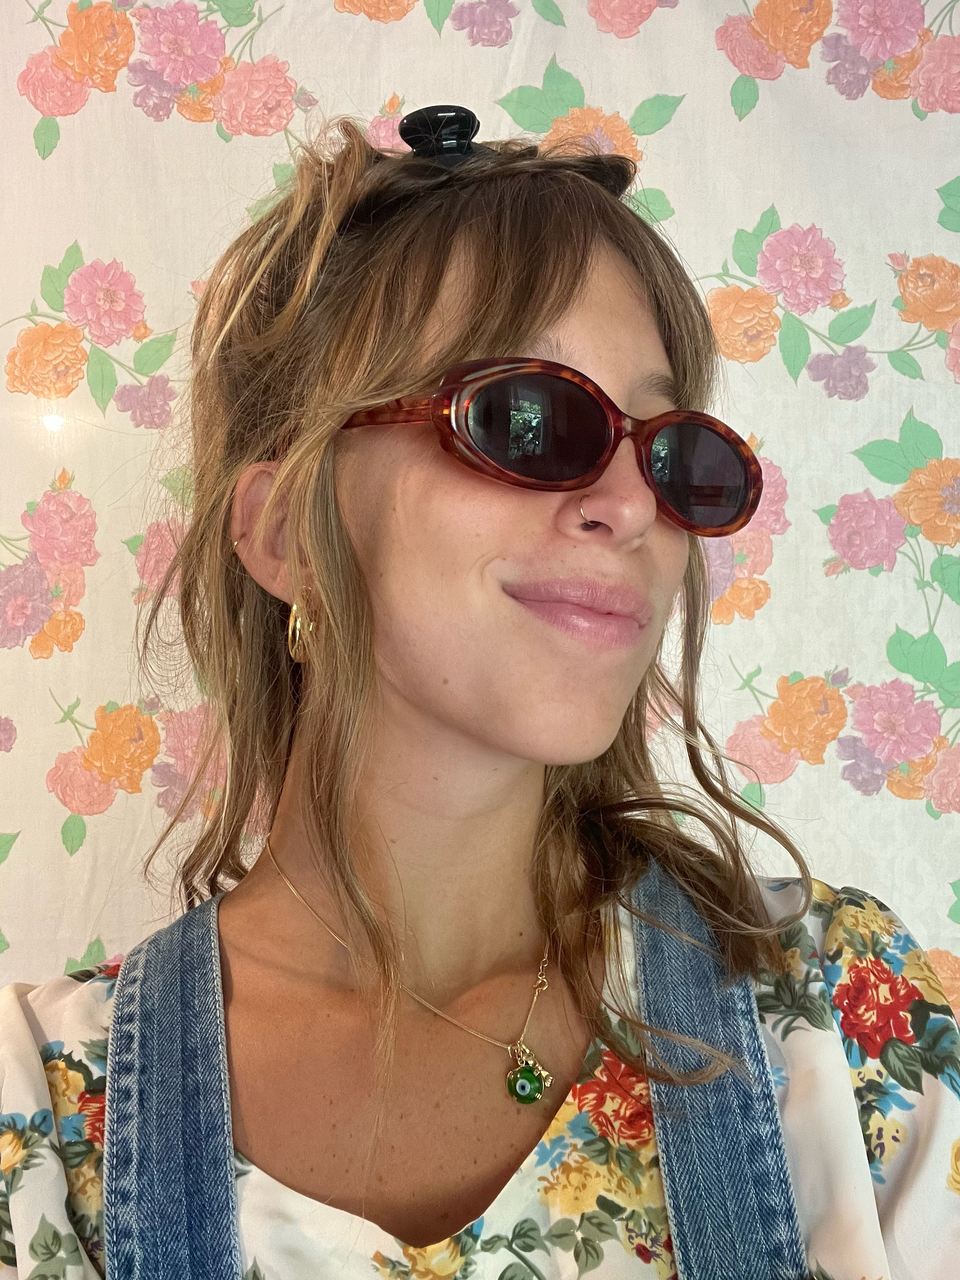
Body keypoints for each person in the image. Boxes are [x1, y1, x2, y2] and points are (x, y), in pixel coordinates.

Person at [1, 104, 958, 1280]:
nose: (632, 505)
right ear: (287, 529)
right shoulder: (39, 1115)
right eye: (527, 418)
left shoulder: (842, 1018)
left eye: (672, 451)